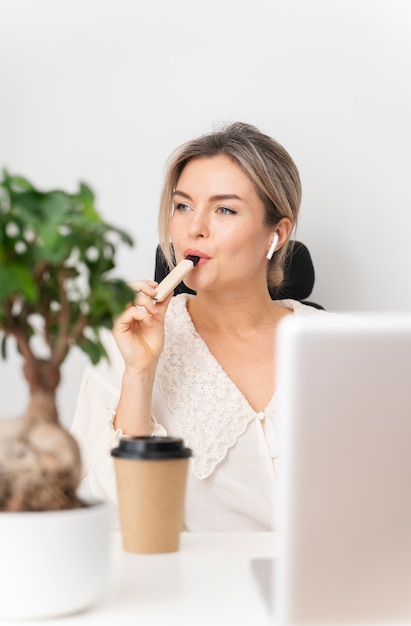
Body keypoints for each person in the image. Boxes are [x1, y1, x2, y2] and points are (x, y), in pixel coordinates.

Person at [70, 122, 325, 531]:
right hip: (185, 588)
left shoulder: (337, 343)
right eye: (183, 206)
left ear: (275, 234)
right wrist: (139, 374)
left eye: (224, 209)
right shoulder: (124, 339)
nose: (194, 228)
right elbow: (106, 517)